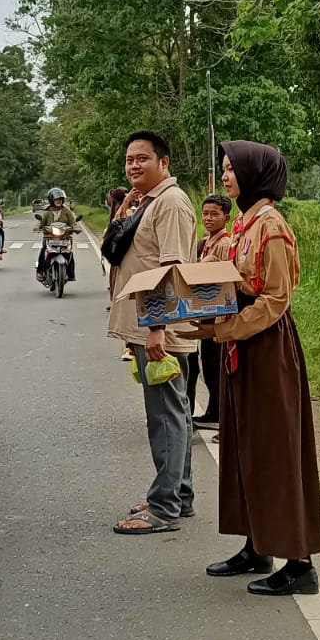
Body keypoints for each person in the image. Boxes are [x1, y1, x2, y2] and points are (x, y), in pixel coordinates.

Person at [183, 141, 320, 596]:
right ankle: (256, 544)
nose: (225, 177)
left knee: (275, 449)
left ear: (254, 173)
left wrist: (226, 330)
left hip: (267, 346)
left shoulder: (272, 227)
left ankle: (299, 564)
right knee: (245, 445)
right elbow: (238, 285)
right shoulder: (244, 223)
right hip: (243, 345)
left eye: (231, 170)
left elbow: (276, 298)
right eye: (223, 169)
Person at [107, 131, 198, 535]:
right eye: (129, 159)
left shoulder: (172, 204)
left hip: (159, 326)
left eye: (142, 158)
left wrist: (157, 327)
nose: (133, 166)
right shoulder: (148, 203)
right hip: (148, 325)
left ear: (164, 163)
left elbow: (171, 269)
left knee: (165, 415)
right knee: (171, 411)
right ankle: (179, 494)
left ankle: (164, 508)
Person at [190, 193, 232, 430]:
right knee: (208, 365)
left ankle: (223, 418)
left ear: (226, 217)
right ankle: (213, 411)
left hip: (218, 314)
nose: (208, 218)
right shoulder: (208, 240)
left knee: (216, 367)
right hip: (207, 311)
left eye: (214, 214)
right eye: (205, 213)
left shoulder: (225, 244)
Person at [35, 187, 81, 283]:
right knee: (43, 252)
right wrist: (38, 227)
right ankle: (40, 272)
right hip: (49, 237)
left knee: (69, 254)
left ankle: (71, 273)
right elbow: (41, 222)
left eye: (60, 199)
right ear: (52, 200)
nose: (59, 201)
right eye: (56, 199)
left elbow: (73, 222)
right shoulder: (47, 212)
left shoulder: (66, 211)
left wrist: (76, 228)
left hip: (65, 237)